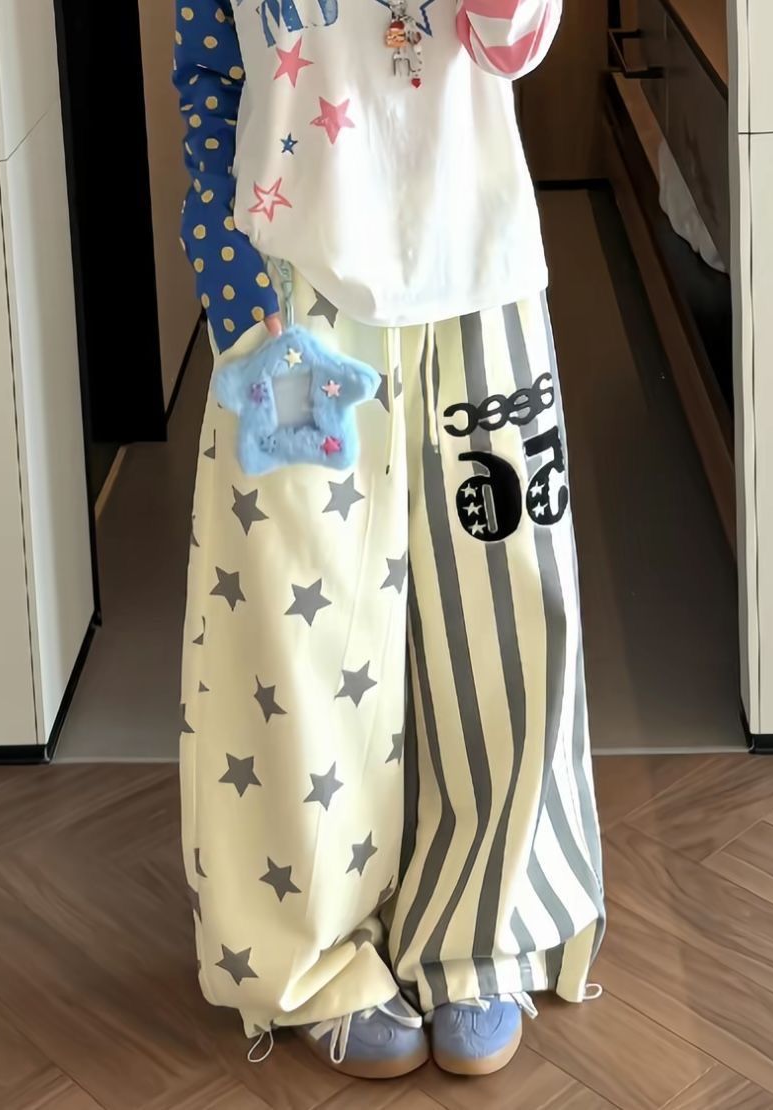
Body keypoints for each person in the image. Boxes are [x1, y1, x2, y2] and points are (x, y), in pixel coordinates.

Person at [175, 0, 604, 1079]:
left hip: (475, 262)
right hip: (292, 291)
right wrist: (229, 282)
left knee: (505, 610)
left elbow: (516, 39)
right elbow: (204, 70)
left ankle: (485, 933)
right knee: (293, 631)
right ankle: (311, 953)